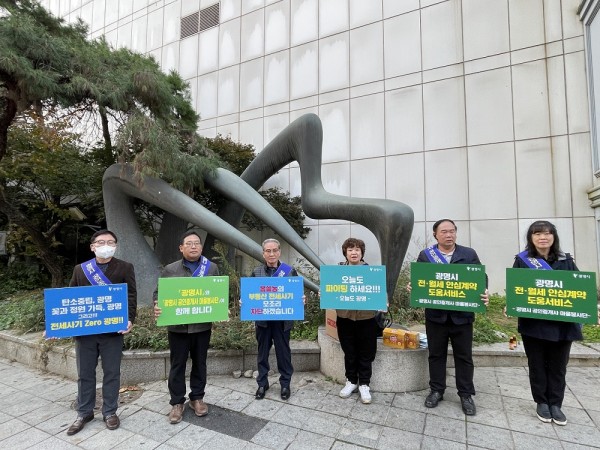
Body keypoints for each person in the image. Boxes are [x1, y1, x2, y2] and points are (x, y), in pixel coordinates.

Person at [410, 219, 488, 416]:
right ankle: (437, 390)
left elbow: (481, 278)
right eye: (444, 231)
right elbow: (419, 279)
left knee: (464, 356)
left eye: (452, 231)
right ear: (436, 234)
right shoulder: (426, 255)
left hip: (462, 316)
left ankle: (466, 394)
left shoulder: (468, 254)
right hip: (436, 316)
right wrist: (414, 287)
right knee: (436, 354)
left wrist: (484, 290)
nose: (449, 235)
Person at [512, 220, 583, 426]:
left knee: (558, 366)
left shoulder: (566, 261)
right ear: (531, 238)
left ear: (554, 237)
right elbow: (517, 289)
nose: (543, 237)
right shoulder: (523, 260)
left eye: (547, 233)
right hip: (534, 324)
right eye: (537, 234)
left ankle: (556, 404)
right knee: (537, 365)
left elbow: (579, 288)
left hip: (563, 325)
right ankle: (541, 402)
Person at [66, 230, 137, 435]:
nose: (106, 245)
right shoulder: (80, 269)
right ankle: (84, 412)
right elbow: (71, 298)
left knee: (112, 373)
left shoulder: (125, 267)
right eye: (101, 242)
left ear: (115, 245)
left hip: (112, 331)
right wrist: (59, 325)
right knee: (85, 373)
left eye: (111, 242)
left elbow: (131, 295)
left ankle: (110, 412)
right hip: (86, 333)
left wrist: (130, 318)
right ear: (92, 246)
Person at [153, 230, 220, 424]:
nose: (193, 246)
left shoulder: (211, 268)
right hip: (178, 327)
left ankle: (197, 398)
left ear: (201, 247)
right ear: (181, 247)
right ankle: (177, 402)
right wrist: (157, 305)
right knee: (177, 364)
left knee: (200, 362)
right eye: (189, 243)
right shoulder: (170, 269)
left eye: (197, 243)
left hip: (202, 326)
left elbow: (218, 293)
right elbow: (158, 294)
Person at [251, 238, 299, 401]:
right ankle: (262, 383)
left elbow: (296, 295)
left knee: (284, 353)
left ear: (279, 252)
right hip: (263, 322)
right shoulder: (256, 272)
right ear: (263, 253)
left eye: (275, 250)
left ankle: (285, 383)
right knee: (262, 353)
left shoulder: (290, 271)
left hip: (282, 322)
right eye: (268, 251)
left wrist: (301, 299)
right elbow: (251, 295)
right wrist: (245, 301)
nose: (272, 254)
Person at [336, 238, 378, 404]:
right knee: (349, 351)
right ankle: (351, 381)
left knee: (366, 352)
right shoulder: (337, 272)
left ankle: (365, 384)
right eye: (350, 250)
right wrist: (324, 294)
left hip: (366, 318)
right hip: (344, 317)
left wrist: (383, 299)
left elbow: (379, 293)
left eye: (357, 250)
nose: (354, 253)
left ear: (362, 253)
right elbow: (331, 291)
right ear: (345, 253)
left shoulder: (372, 272)